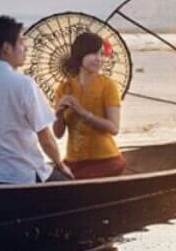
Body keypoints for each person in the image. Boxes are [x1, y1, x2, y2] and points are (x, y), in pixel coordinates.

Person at [0, 15, 74, 183]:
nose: (26, 48)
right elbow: (46, 139)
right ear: (7, 48)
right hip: (20, 174)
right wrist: (60, 164)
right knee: (70, 184)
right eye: (21, 42)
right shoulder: (24, 84)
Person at [52, 32, 126, 178]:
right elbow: (58, 134)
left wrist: (83, 112)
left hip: (105, 160)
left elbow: (114, 128)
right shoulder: (64, 88)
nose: (99, 59)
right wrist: (59, 113)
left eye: (101, 54)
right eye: (93, 54)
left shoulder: (108, 86)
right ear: (80, 55)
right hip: (73, 161)